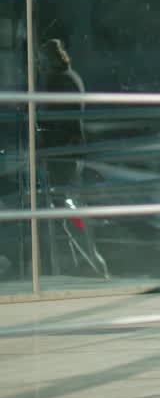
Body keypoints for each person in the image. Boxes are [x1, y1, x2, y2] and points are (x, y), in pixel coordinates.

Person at [37, 38, 110, 279]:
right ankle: (89, 259)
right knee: (68, 204)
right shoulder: (71, 77)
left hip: (62, 151)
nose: (39, 66)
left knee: (64, 205)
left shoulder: (59, 82)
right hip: (71, 150)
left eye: (41, 61)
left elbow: (55, 118)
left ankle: (87, 260)